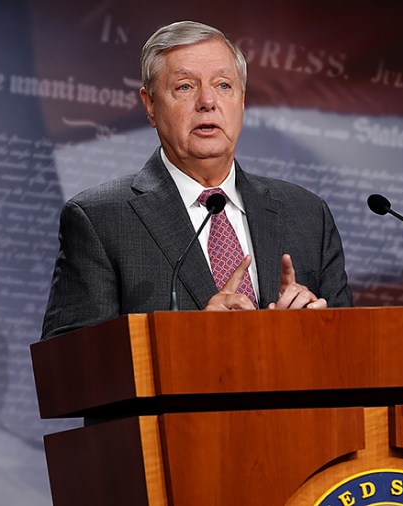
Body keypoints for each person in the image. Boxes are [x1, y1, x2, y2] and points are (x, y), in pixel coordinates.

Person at [42, 21, 352, 340]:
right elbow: (70, 365)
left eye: (223, 85)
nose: (207, 101)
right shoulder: (101, 219)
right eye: (185, 87)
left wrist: (316, 329)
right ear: (150, 105)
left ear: (242, 100)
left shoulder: (306, 214)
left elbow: (352, 349)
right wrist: (191, 338)